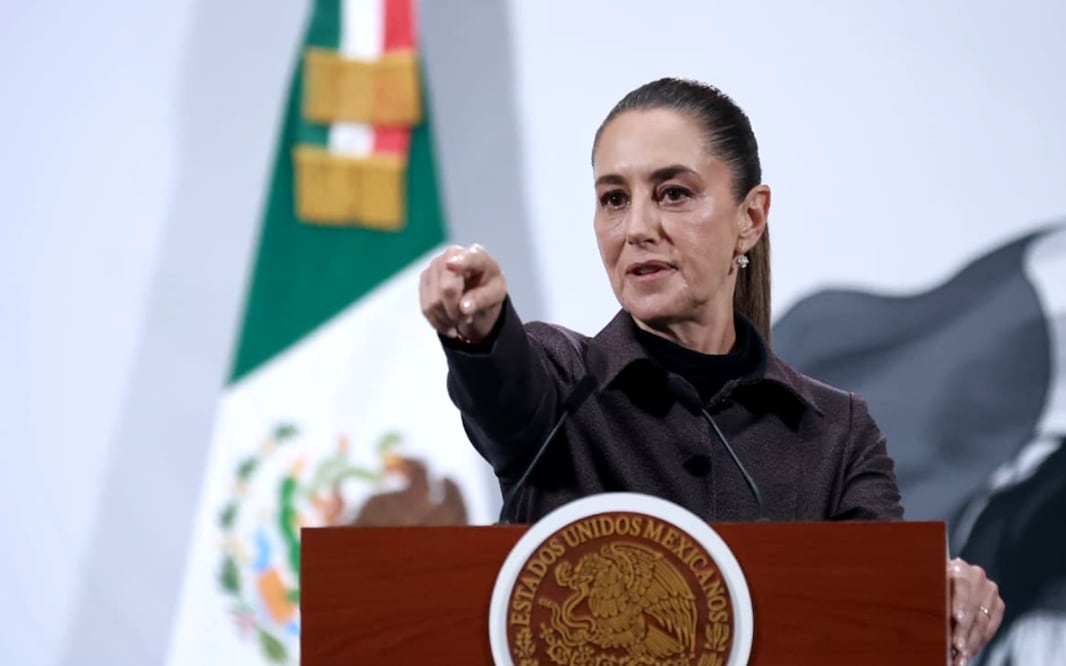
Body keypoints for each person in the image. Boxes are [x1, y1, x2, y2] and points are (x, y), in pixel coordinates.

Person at [418, 77, 1003, 664]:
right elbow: (500, 383)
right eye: (614, 199)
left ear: (750, 217)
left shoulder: (835, 432)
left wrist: (940, 593)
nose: (637, 227)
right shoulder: (560, 381)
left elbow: (879, 612)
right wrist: (479, 326)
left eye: (672, 193)